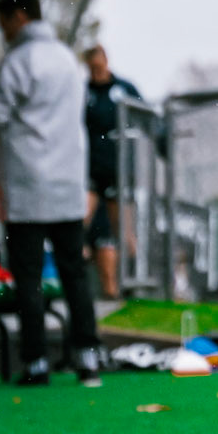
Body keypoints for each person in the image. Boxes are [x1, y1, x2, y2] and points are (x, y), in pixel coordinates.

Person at [0, 0, 101, 385]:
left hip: (29, 187)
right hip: (67, 183)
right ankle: (88, 357)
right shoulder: (68, 61)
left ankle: (36, 362)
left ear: (18, 17)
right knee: (74, 275)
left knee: (28, 277)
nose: (3, 34)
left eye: (3, 24)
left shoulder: (18, 62)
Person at [83, 44, 143, 301]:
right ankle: (80, 257)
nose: (96, 73)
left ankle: (135, 281)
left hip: (119, 170)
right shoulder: (84, 93)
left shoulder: (124, 90)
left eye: (99, 67)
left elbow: (146, 117)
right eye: (92, 69)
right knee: (80, 218)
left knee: (124, 229)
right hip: (91, 169)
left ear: (106, 61)